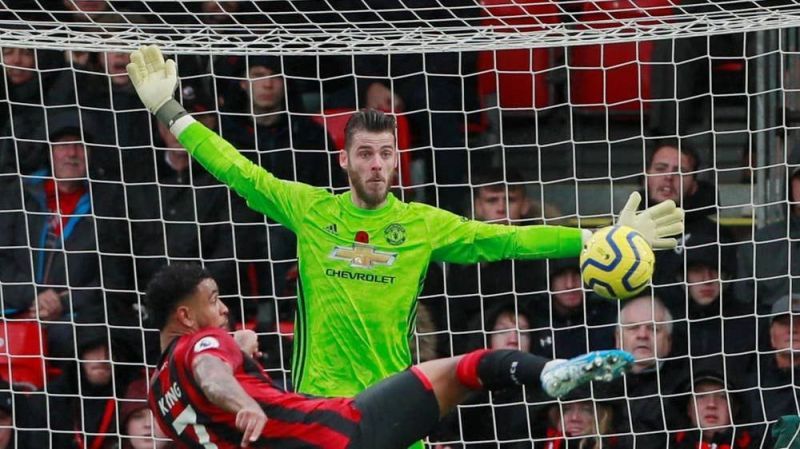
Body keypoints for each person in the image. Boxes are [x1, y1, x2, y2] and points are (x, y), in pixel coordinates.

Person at [126, 45, 683, 401]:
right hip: (320, 400)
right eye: (363, 153)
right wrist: (171, 111)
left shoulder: (422, 225)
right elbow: (238, 170)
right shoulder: (310, 209)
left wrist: (593, 236)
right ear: (344, 160)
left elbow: (505, 238)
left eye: (384, 154)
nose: (375, 164)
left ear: (396, 159)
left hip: (397, 395)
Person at [144, 263, 634, 449]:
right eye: (212, 299)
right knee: (462, 369)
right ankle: (549, 372)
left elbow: (206, 392)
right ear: (185, 317)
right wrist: (242, 400)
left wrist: (243, 366)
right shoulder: (203, 346)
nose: (224, 307)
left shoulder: (157, 392)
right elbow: (211, 374)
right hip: (339, 433)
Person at [606, 295, 687, 449]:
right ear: (617, 339)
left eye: (653, 329)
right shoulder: (599, 386)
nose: (642, 335)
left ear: (668, 342)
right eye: (632, 328)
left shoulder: (683, 391)